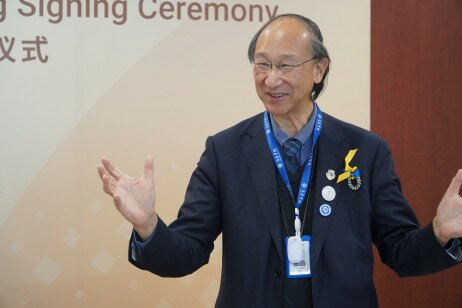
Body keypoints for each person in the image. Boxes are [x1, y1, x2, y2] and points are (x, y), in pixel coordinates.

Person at [97, 14, 462, 308]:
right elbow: (187, 252)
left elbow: (401, 251)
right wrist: (148, 226)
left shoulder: (366, 151)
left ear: (319, 69)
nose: (271, 79)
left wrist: (439, 234)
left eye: (286, 65)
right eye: (261, 65)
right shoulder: (224, 152)